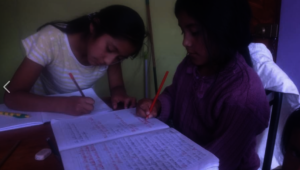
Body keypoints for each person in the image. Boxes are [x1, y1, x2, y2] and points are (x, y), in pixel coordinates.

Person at [136, 0, 270, 169]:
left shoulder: (243, 95)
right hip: (183, 155)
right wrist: (158, 106)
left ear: (224, 30)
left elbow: (218, 160)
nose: (185, 42)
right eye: (182, 31)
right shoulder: (190, 65)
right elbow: (174, 94)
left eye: (195, 32)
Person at [4, 5, 146, 116]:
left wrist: (119, 94)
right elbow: (12, 96)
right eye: (109, 49)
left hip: (79, 118)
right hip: (40, 115)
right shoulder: (51, 39)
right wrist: (63, 105)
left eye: (119, 58)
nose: (109, 61)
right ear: (94, 27)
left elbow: (116, 87)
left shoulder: (112, 58)